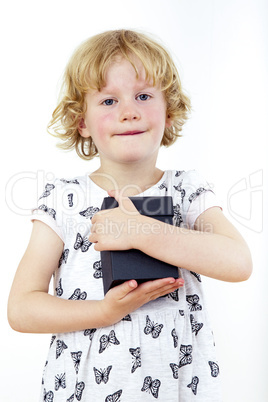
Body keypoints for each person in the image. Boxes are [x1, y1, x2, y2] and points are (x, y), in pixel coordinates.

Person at [8, 29, 252, 401]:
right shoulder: (63, 198)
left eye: (143, 95)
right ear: (82, 121)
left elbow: (238, 263)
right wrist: (103, 312)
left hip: (179, 388)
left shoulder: (187, 190)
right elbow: (21, 308)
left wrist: (141, 231)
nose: (129, 111)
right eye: (108, 101)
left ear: (168, 111)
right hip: (83, 388)